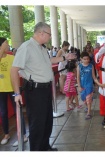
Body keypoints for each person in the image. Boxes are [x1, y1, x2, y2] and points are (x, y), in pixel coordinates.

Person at [10, 22, 74, 151]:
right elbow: (14, 70)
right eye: (49, 34)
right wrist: (17, 93)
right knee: (37, 123)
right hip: (35, 91)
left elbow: (49, 61)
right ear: (41, 33)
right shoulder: (26, 47)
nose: (50, 37)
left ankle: (45, 147)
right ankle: (36, 150)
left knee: (47, 120)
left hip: (45, 89)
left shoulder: (42, 48)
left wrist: (64, 57)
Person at [0, 37, 28, 146]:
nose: (8, 45)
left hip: (12, 88)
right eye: (6, 43)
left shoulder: (12, 57)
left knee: (18, 111)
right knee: (3, 112)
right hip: (1, 89)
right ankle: (6, 134)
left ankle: (23, 135)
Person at [77, 52, 96, 120]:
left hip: (89, 85)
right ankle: (88, 106)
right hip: (82, 86)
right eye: (84, 59)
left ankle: (89, 113)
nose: (86, 60)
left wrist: (97, 83)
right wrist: (79, 86)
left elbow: (94, 76)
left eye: (87, 59)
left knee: (88, 99)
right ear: (81, 59)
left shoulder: (91, 66)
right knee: (84, 99)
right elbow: (78, 77)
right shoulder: (79, 66)